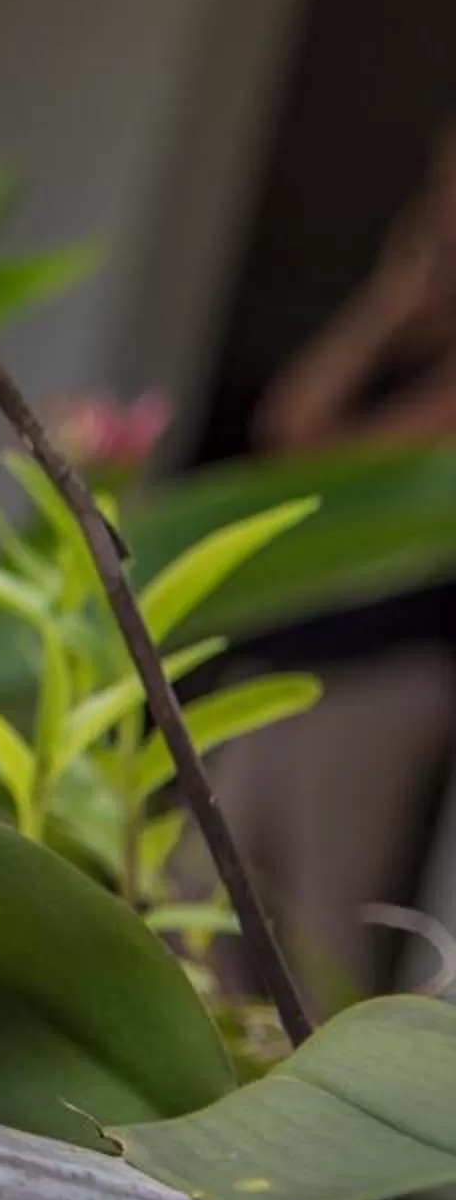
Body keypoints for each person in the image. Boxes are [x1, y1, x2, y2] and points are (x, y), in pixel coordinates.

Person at [226, 129, 456, 998]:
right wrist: (392, 299)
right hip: (293, 656)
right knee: (201, 900)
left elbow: (339, 469)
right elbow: (287, 424)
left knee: (323, 938)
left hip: (383, 676)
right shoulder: (417, 331)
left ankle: (323, 1127)